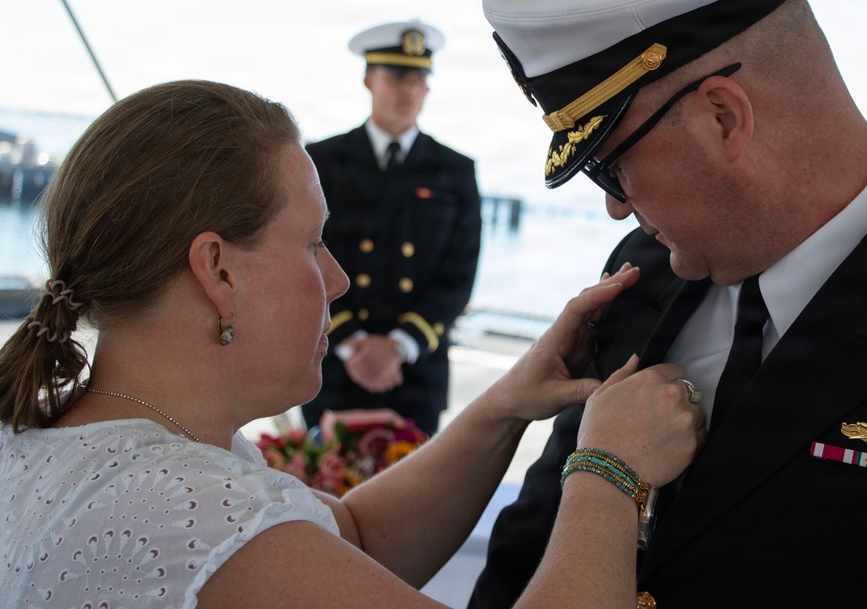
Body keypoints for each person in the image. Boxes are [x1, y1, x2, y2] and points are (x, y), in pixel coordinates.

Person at [0, 79, 706, 608]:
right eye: (312, 244)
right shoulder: (184, 507)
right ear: (218, 270)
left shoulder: (62, 438)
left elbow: (355, 538)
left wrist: (506, 404)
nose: (336, 280)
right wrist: (608, 468)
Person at [472, 0, 867, 607]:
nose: (617, 210)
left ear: (723, 118)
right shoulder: (643, 271)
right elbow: (529, 551)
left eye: (609, 168)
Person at [302, 20, 481, 435]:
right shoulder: (320, 162)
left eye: (420, 78)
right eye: (398, 76)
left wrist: (398, 348)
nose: (410, 89)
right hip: (332, 363)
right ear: (369, 79)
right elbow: (302, 259)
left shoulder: (454, 170)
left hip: (415, 372)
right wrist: (352, 344)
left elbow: (459, 277)